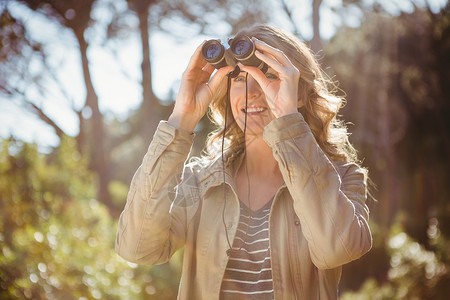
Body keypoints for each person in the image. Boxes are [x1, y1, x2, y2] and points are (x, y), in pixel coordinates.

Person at [115, 24, 372, 299]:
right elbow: (138, 247)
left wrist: (288, 122)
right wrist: (182, 119)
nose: (252, 91)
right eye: (239, 78)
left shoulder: (342, 178)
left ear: (299, 93)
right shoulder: (200, 181)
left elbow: (337, 248)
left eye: (269, 75)